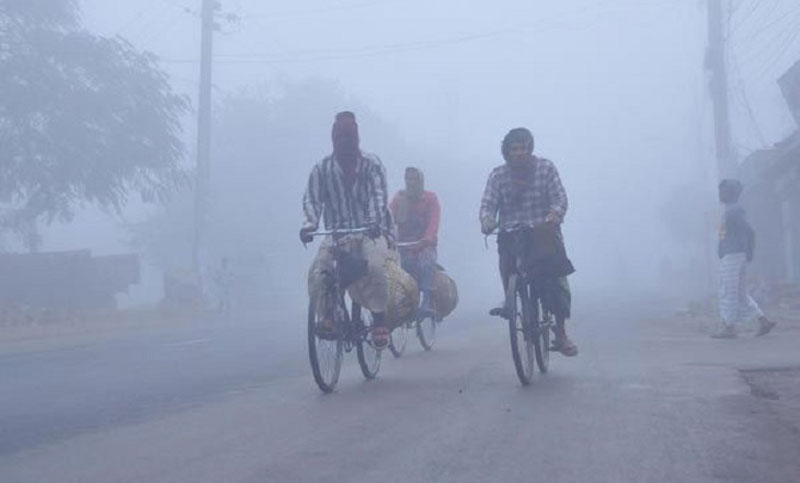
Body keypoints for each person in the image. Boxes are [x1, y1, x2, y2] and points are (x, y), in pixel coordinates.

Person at [479, 127, 577, 356]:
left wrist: (554, 214)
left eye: (523, 148)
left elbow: (559, 198)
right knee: (506, 261)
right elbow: (488, 204)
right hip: (511, 233)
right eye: (514, 149)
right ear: (507, 152)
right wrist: (486, 220)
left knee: (554, 281)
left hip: (542, 232)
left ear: (530, 149)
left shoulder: (545, 168)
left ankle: (560, 333)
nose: (519, 153)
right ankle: (510, 300)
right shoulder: (498, 176)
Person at [300, 111, 394, 347]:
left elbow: (379, 196)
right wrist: (309, 225)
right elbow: (312, 200)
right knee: (320, 272)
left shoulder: (372, 165)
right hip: (337, 235)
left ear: (357, 139)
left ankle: (379, 320)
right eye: (340, 138)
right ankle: (329, 315)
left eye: (349, 138)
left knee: (375, 267)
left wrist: (374, 222)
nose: (345, 143)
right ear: (333, 140)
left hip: (368, 231)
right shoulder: (322, 170)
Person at [713, 179, 776, 339]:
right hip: (731, 254)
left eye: (723, 191)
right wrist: (721, 249)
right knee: (740, 293)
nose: (720, 194)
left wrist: (749, 250)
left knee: (727, 290)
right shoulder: (729, 210)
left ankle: (729, 327)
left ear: (732, 193)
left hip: (733, 255)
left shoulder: (734, 211)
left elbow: (749, 231)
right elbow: (723, 234)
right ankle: (763, 320)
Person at [390, 167, 441, 317]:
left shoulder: (430, 199)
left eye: (413, 179)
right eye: (408, 179)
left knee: (426, 264)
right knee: (402, 271)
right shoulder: (399, 199)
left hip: (425, 245)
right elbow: (388, 218)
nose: (410, 183)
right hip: (404, 245)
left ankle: (428, 299)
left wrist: (428, 238)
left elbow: (434, 221)